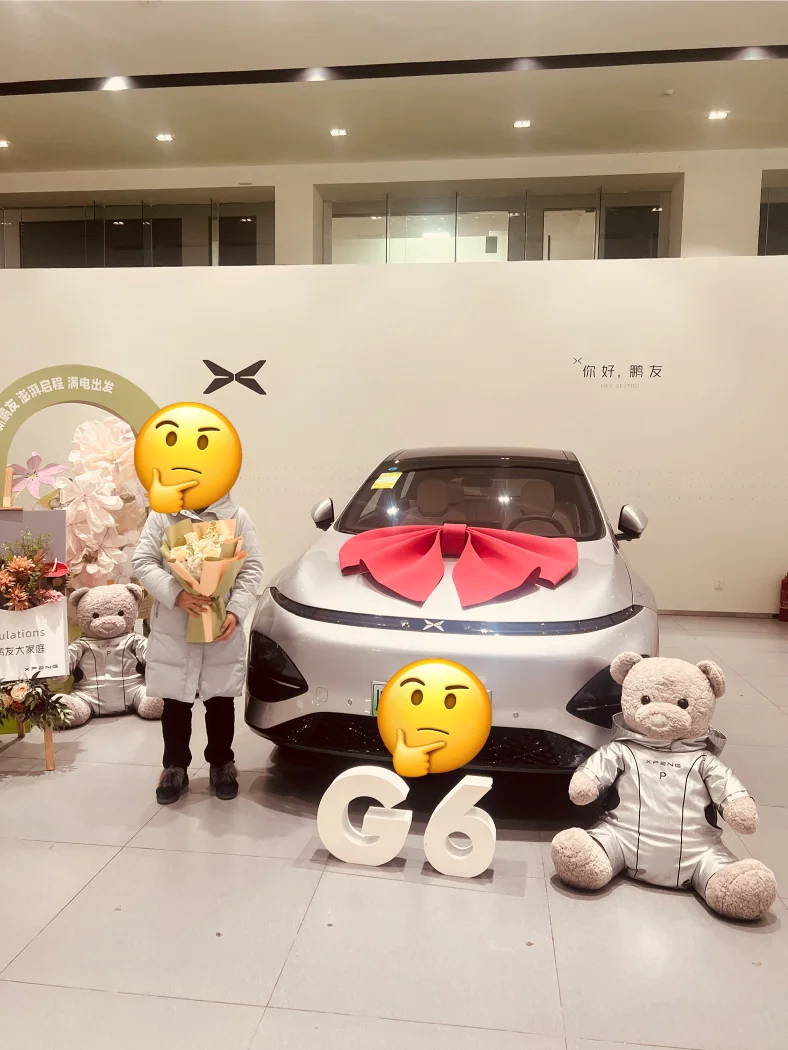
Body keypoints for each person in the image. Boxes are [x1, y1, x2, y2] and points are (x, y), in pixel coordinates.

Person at [132, 493, 263, 804]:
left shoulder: (236, 515)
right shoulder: (163, 516)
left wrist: (236, 610)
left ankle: (222, 763)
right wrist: (176, 593)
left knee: (220, 699)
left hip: (220, 623)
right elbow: (143, 561)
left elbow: (251, 568)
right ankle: (174, 767)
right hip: (175, 626)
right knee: (175, 701)